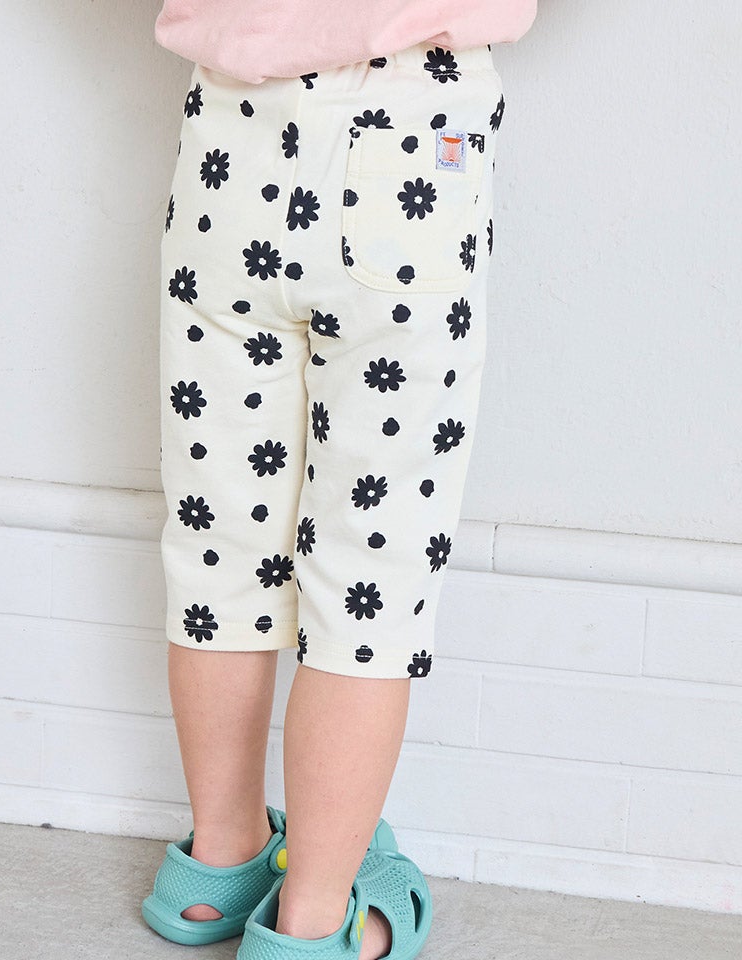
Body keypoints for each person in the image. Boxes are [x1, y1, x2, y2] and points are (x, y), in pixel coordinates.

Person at [142, 2, 537, 958]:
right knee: (372, 568)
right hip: (411, 138)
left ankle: (217, 867)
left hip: (228, 146)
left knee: (219, 547)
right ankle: (314, 919)